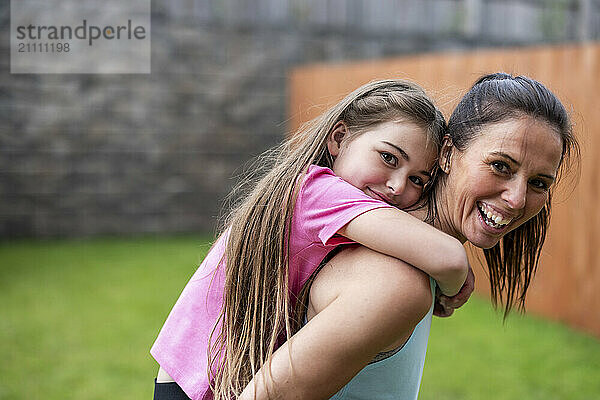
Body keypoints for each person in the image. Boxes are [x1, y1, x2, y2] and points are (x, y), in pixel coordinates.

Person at [238, 73, 579, 400]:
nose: (517, 198)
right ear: (447, 154)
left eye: (539, 183)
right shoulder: (398, 280)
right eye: (501, 166)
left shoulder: (413, 262)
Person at [151, 80, 471, 400]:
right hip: (201, 380)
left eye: (417, 179)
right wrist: (452, 289)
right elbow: (450, 258)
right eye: (389, 158)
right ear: (339, 138)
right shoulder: (320, 192)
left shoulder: (319, 196)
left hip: (197, 370)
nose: (398, 186)